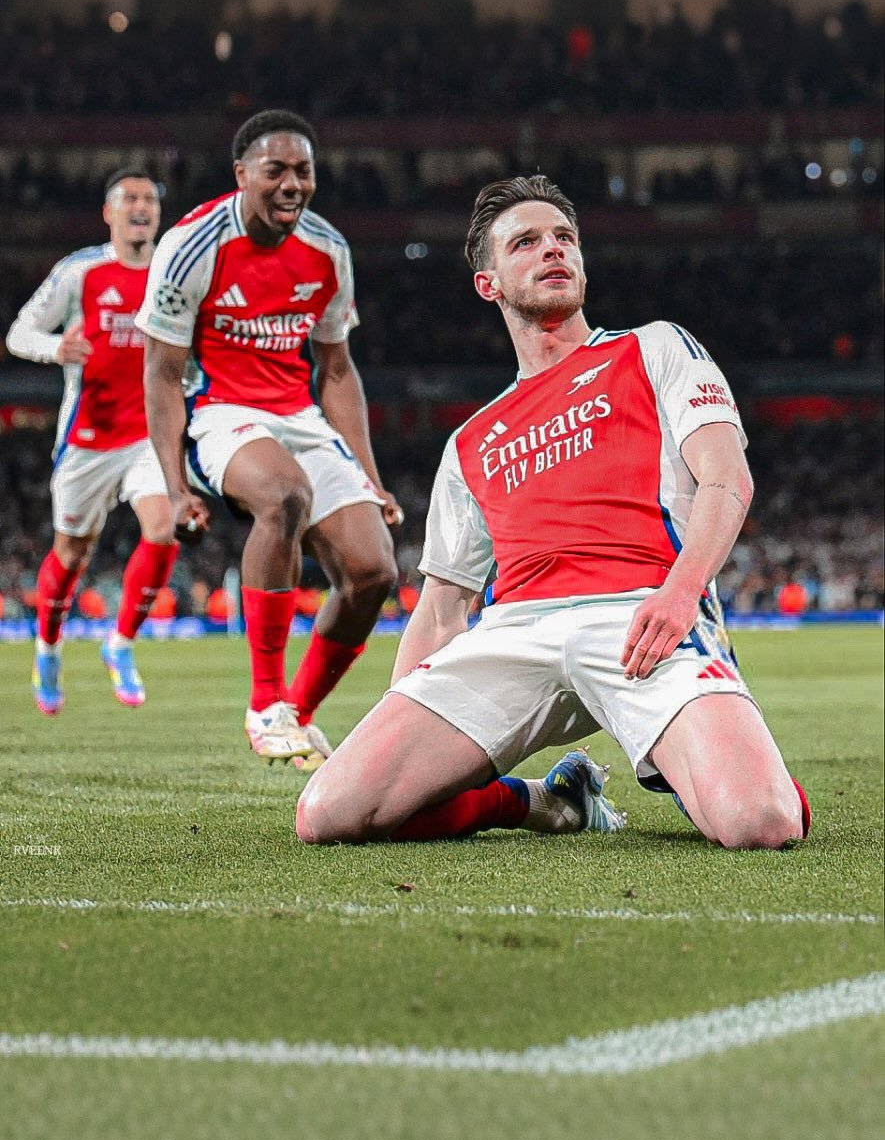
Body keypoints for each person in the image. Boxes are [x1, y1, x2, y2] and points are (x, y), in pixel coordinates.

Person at [296, 173, 811, 849]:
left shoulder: (653, 347)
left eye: (564, 237)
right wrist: (403, 713)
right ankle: (547, 801)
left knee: (759, 823)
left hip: (639, 614)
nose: (552, 249)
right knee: (331, 813)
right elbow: (444, 606)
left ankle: (715, 767)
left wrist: (681, 591)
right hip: (513, 632)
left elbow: (726, 478)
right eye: (526, 242)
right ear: (488, 285)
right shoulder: (471, 440)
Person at [138, 109, 400, 765]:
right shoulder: (192, 244)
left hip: (298, 415)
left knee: (373, 572)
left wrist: (369, 477)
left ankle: (296, 715)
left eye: (303, 172)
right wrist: (174, 488)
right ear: (241, 174)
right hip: (218, 410)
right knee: (285, 495)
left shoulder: (328, 249)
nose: (292, 184)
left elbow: (336, 369)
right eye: (275, 170)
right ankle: (264, 703)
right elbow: (162, 373)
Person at [6, 169, 178, 714]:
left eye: (149, 199)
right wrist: (56, 349)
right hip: (87, 438)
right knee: (71, 555)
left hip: (147, 436)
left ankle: (120, 643)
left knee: (165, 528)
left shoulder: (174, 272)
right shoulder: (80, 272)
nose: (141, 207)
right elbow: (19, 333)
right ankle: (47, 648)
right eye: (130, 198)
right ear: (109, 212)